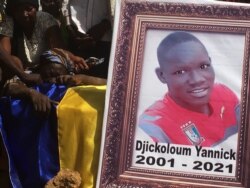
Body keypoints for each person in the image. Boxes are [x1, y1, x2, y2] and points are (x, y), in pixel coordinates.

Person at [138, 31, 240, 147]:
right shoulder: (154, 125)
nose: (197, 79)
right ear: (161, 75)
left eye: (203, 66)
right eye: (180, 72)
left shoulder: (223, 93)